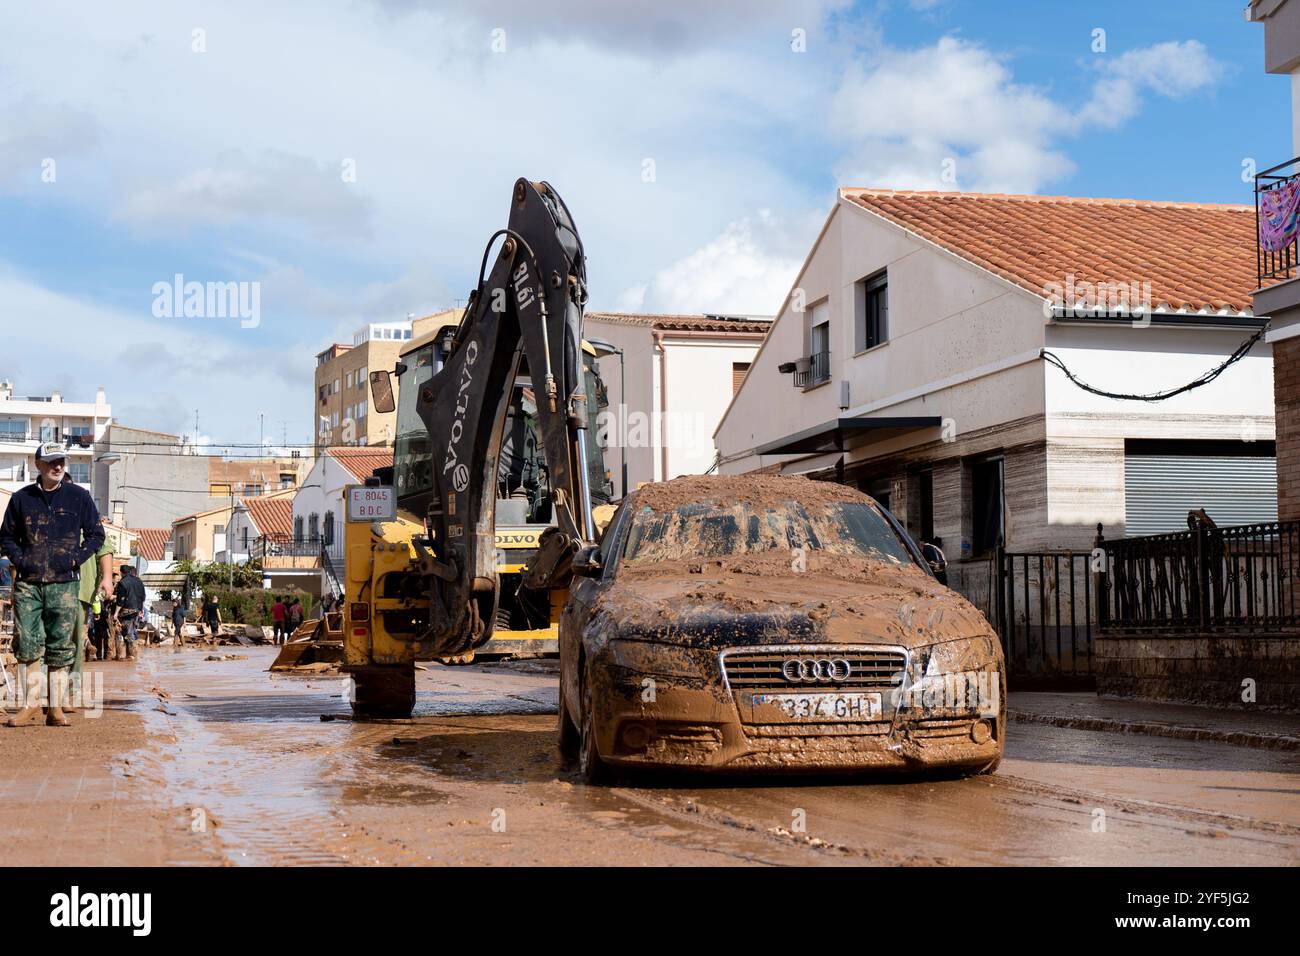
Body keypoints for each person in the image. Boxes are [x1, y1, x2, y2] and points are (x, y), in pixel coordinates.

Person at [0, 442, 105, 728]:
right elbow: (6, 537)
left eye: (61, 461)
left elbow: (96, 535)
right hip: (28, 584)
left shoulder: (79, 497)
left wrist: (75, 559)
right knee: (28, 644)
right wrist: (22, 562)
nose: (57, 466)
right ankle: (30, 705)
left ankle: (55, 708)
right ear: (38, 464)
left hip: (64, 583)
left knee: (61, 645)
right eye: (51, 461)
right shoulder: (22, 499)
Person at [72, 518, 114, 707]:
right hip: (46, 586)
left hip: (81, 590)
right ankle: (42, 694)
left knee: (73, 643)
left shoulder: (84, 512)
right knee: (46, 641)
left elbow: (104, 548)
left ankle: (68, 693)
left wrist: (106, 578)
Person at [113, 564, 146, 660]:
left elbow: (120, 600)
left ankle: (131, 655)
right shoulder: (139, 581)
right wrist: (142, 609)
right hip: (137, 610)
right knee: (131, 631)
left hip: (127, 610)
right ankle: (130, 655)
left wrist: (116, 613)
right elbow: (143, 596)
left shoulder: (122, 583)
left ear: (121, 572)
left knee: (127, 632)